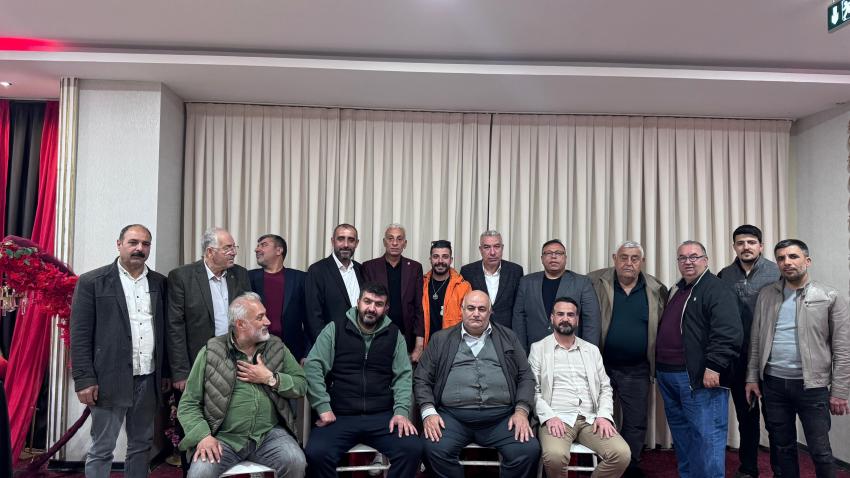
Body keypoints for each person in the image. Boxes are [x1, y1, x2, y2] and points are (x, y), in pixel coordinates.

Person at [70, 224, 169, 478]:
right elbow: (79, 335)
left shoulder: (160, 283)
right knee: (102, 447)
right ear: (119, 244)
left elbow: (166, 332)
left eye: (145, 244)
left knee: (141, 446)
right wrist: (84, 379)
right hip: (108, 379)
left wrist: (166, 372)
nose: (139, 248)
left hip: (148, 378)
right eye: (133, 242)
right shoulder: (92, 282)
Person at [746, 239, 849, 478]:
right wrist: (751, 377)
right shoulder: (766, 295)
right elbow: (756, 340)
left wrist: (840, 391)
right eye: (781, 258)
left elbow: (843, 349)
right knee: (782, 448)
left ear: (807, 261)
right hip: (773, 385)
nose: (787, 262)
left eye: (793, 256)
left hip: (812, 387)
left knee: (820, 451)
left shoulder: (829, 296)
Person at [176, 293, 306, 478]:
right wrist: (203, 436)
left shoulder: (276, 347)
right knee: (200, 473)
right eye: (260, 317)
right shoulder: (211, 351)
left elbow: (301, 385)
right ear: (240, 324)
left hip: (268, 435)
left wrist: (271, 378)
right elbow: (188, 404)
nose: (268, 322)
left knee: (296, 461)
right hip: (223, 438)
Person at [415, 290, 540, 478]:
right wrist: (428, 412)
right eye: (471, 308)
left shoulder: (509, 337)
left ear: (490, 312)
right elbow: (422, 378)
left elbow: (526, 377)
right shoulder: (441, 339)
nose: (476, 313)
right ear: (461, 310)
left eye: (482, 309)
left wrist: (521, 411)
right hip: (453, 418)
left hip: (501, 418)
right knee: (432, 447)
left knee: (527, 449)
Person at [303, 282, 422, 478]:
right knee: (317, 453)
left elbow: (403, 376)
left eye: (378, 304)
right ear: (358, 302)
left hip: (382, 416)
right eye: (367, 301)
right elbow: (312, 366)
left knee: (412, 449)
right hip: (340, 415)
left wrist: (401, 412)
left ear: (386, 308)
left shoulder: (395, 335)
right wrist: (323, 407)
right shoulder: (335, 329)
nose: (371, 308)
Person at [655, 240, 742, 478]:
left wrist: (714, 366)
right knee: (683, 437)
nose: (688, 262)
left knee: (707, 437)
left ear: (705, 260)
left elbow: (729, 332)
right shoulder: (676, 289)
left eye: (694, 256)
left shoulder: (716, 289)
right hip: (668, 374)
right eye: (683, 258)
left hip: (698, 377)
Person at [587, 241, 667, 477]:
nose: (628, 263)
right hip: (601, 366)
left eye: (634, 258)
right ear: (615, 258)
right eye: (623, 257)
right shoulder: (594, 282)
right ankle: (603, 464)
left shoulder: (656, 288)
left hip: (637, 368)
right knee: (598, 417)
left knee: (635, 421)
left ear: (642, 261)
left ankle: (630, 466)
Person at [529, 297, 631, 478]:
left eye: (570, 315)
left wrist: (604, 416)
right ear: (552, 318)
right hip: (557, 418)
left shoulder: (591, 350)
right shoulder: (538, 349)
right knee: (554, 456)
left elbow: (605, 388)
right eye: (560, 314)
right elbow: (533, 390)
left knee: (621, 454)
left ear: (577, 319)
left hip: (591, 419)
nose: (565, 318)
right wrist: (549, 417)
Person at [718, 225, 779, 478]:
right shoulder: (724, 275)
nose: (746, 247)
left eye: (751, 242)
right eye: (741, 243)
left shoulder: (777, 272)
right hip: (739, 360)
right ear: (734, 246)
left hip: (771, 359)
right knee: (746, 419)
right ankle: (748, 469)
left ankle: (781, 470)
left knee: (776, 421)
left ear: (761, 246)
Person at [167, 227, 252, 390]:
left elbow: (248, 316)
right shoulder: (182, 277)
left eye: (234, 247)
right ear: (210, 251)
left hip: (236, 362)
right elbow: (175, 328)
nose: (234, 252)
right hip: (198, 362)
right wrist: (180, 372)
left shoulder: (240, 274)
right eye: (227, 248)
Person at [513, 239, 601, 351]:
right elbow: (518, 319)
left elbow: (592, 321)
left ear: (565, 258)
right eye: (548, 253)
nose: (553, 256)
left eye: (558, 253)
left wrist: (588, 352)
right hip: (535, 350)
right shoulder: (526, 282)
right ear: (542, 258)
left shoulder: (582, 283)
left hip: (572, 350)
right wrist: (520, 353)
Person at [362, 224, 426, 362]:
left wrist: (419, 345)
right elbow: (365, 305)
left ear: (405, 243)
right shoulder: (369, 267)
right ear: (384, 242)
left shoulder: (415, 268)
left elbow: (419, 307)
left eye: (399, 239)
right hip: (376, 335)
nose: (395, 243)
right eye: (390, 238)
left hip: (406, 337)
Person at [249, 234, 308, 361]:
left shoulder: (300, 278)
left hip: (292, 352)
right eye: (258, 246)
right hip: (256, 351)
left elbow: (309, 318)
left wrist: (307, 353)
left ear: (279, 250)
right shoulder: (248, 277)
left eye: (263, 245)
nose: (257, 249)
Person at [305, 223, 364, 341]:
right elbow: (313, 315)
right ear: (332, 241)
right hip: (331, 342)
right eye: (341, 239)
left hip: (360, 341)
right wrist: (324, 344)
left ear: (357, 243)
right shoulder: (317, 270)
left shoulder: (361, 269)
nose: (346, 245)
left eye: (351, 240)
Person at [459, 230, 524, 328]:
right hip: (477, 330)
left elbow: (519, 308)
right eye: (487, 247)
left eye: (497, 246)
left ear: (502, 248)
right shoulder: (467, 271)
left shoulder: (515, 271)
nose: (492, 252)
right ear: (480, 250)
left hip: (506, 331)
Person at [421, 240, 471, 347]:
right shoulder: (421, 284)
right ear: (430, 259)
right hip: (426, 348)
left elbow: (469, 321)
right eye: (436, 256)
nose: (440, 261)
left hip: (452, 348)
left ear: (451, 260)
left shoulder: (463, 287)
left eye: (445, 257)